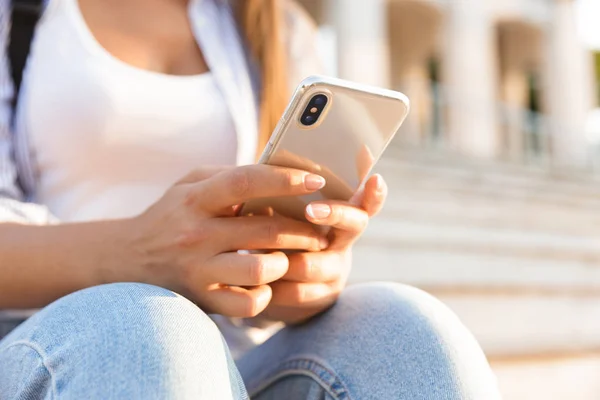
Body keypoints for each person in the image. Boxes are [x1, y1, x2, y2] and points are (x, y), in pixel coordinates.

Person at [0, 0, 502, 398]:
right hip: (41, 342)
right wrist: (137, 254)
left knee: (407, 329)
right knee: (148, 325)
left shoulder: (278, 28)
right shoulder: (21, 15)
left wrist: (296, 276)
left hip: (230, 353)